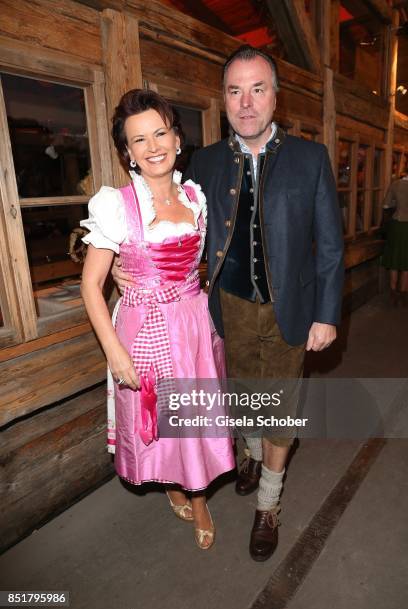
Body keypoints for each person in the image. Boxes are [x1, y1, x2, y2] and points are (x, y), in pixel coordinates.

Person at [113, 45, 344, 562]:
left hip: (293, 309)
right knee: (242, 398)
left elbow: (329, 244)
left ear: (275, 96)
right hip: (226, 307)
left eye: (257, 88)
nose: (246, 102)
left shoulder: (311, 158)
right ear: (223, 99)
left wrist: (328, 312)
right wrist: (108, 259)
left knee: (280, 411)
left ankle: (268, 502)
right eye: (235, 90)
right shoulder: (203, 163)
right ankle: (253, 454)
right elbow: (152, 209)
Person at [80, 89, 235, 550]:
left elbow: (192, 263)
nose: (152, 146)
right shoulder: (116, 205)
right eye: (139, 139)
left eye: (160, 133)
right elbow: (92, 285)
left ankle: (199, 496)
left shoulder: (196, 197)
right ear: (127, 152)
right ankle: (174, 483)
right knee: (162, 418)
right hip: (144, 328)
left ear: (177, 138)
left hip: (192, 323)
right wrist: (115, 352)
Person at [382, 173, 408, 307]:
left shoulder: (396, 184)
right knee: (406, 261)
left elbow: (386, 205)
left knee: (395, 258)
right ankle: (404, 294)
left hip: (398, 225)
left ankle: (393, 293)